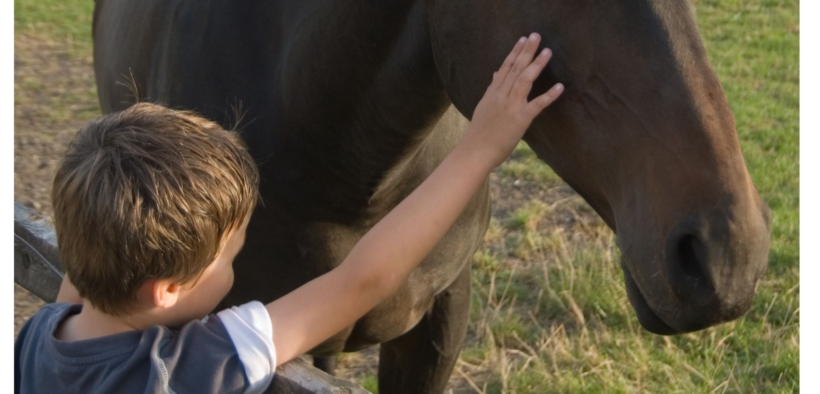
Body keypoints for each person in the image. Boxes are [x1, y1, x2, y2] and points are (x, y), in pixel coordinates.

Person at [14, 33, 563, 393]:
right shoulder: (193, 366)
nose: (233, 266)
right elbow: (362, 280)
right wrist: (479, 149)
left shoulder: (37, 337)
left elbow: (85, 259)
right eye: (229, 257)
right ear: (167, 290)